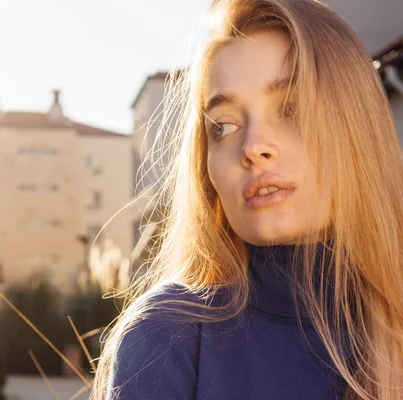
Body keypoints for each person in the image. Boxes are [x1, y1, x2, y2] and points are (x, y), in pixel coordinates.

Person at [89, 0, 403, 399]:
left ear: (358, 127)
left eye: (291, 108)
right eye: (223, 127)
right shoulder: (171, 336)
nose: (253, 146)